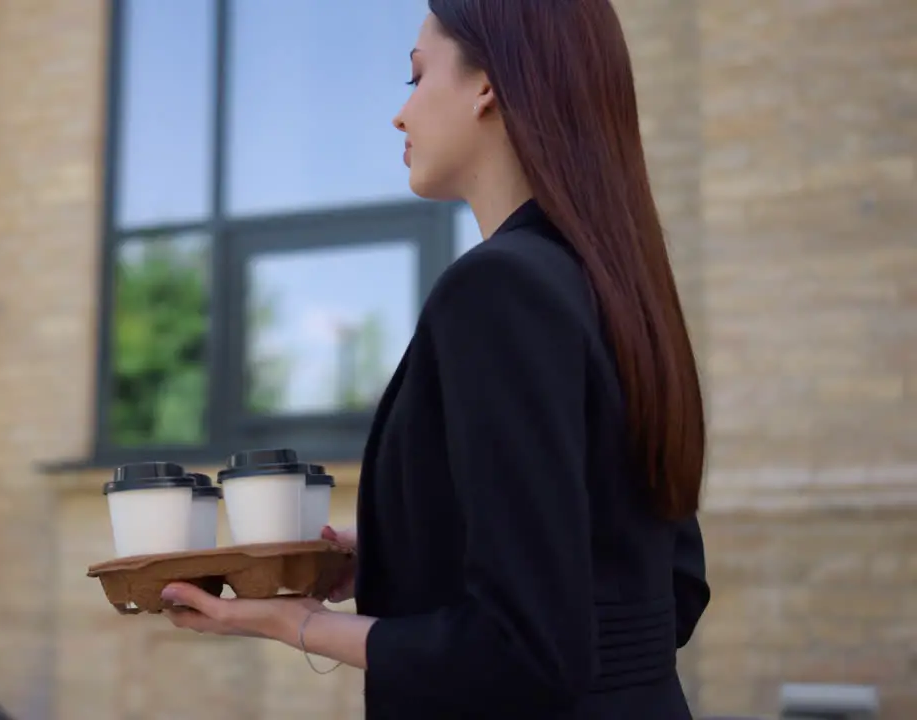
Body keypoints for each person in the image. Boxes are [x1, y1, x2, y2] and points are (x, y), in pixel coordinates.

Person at [158, 1, 710, 717]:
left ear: (487, 85)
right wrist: (392, 550)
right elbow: (665, 590)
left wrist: (294, 622)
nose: (400, 115)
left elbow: (524, 648)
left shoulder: (499, 288)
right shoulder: (616, 289)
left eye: (416, 77)